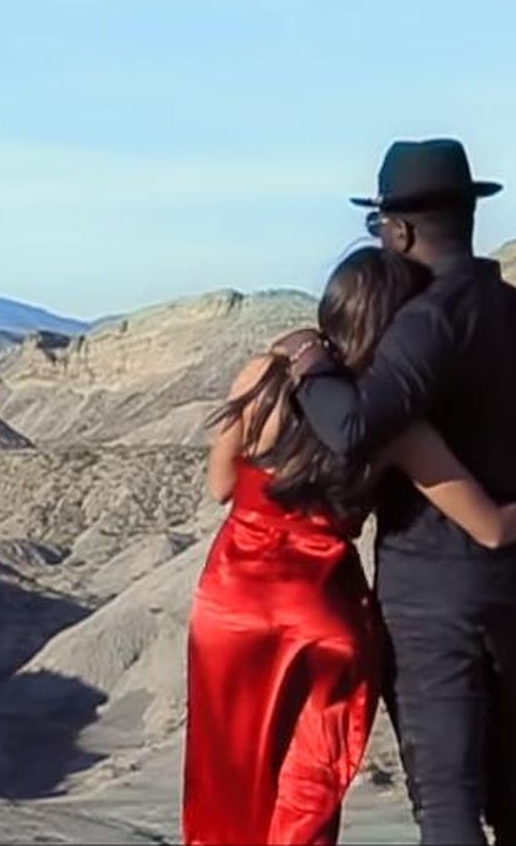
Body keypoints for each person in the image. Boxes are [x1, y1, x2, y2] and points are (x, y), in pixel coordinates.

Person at [184, 245, 516, 846]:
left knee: (228, 778)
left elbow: (220, 486)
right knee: (307, 788)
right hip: (321, 613)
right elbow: (490, 527)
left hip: (231, 607)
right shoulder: (397, 426)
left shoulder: (263, 378)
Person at [276, 139, 515, 844]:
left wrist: (312, 365)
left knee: (446, 803)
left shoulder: (429, 321)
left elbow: (353, 428)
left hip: (437, 596)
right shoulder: (508, 307)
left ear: (400, 231)